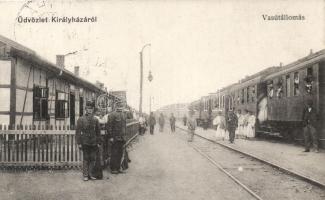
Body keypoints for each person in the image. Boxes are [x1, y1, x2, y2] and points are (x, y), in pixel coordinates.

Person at [76, 101, 102, 181]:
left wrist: (98, 142)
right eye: (88, 109)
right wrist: (79, 143)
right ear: (85, 109)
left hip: (93, 142)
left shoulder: (95, 120)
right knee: (86, 158)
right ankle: (85, 175)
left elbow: (98, 132)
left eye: (91, 109)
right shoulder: (81, 119)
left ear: (93, 109)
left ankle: (91, 174)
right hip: (85, 142)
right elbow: (78, 132)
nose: (89, 110)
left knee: (93, 159)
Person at [107, 101, 127, 174]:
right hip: (115, 137)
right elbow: (109, 127)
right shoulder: (112, 115)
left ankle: (119, 168)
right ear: (116, 107)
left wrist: (125, 136)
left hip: (122, 137)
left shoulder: (124, 115)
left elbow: (124, 127)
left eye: (121, 106)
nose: (120, 107)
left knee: (120, 153)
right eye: (118, 106)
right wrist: (111, 137)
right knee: (114, 153)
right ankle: (113, 169)